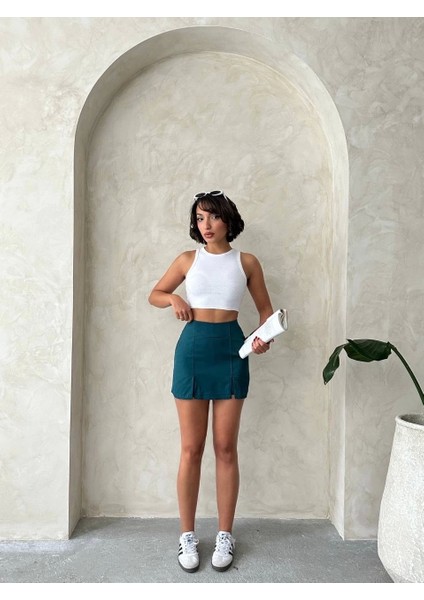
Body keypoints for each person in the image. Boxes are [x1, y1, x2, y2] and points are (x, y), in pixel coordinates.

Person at [148, 190, 274, 573]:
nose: (206, 225)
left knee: (225, 448)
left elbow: (266, 312)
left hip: (232, 352)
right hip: (192, 352)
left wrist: (263, 338)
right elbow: (155, 294)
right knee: (191, 448)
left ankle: (224, 534)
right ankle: (187, 535)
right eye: (200, 218)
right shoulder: (188, 260)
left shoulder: (247, 261)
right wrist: (174, 300)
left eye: (213, 217)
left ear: (227, 219)